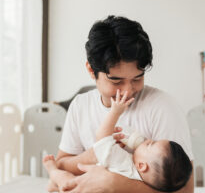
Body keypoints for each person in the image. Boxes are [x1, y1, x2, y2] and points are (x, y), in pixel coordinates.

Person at [56, 15, 194, 193]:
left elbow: (185, 190)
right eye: (116, 81)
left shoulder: (162, 107)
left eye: (137, 78)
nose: (128, 91)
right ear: (91, 70)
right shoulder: (80, 106)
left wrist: (117, 184)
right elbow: (60, 165)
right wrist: (93, 155)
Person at [43, 90, 192, 192]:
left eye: (150, 144)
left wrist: (115, 112)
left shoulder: (123, 163)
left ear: (142, 165)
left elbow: (101, 137)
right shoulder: (146, 182)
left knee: (68, 181)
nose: (147, 140)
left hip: (87, 184)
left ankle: (53, 173)